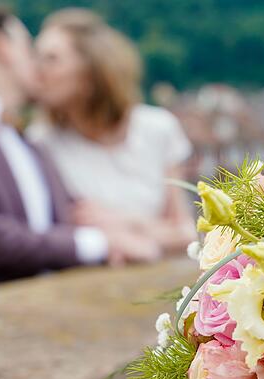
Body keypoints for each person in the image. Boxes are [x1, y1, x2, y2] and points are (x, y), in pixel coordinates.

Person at [0, 5, 158, 305]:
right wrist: (97, 243)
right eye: (28, 48)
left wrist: (120, 231)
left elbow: (65, 220)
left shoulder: (26, 140)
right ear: (2, 47)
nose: (36, 64)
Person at [28, 9, 195, 254]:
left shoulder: (158, 128)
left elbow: (186, 234)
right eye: (35, 57)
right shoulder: (41, 142)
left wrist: (125, 223)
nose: (36, 71)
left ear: (90, 71)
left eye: (51, 59)